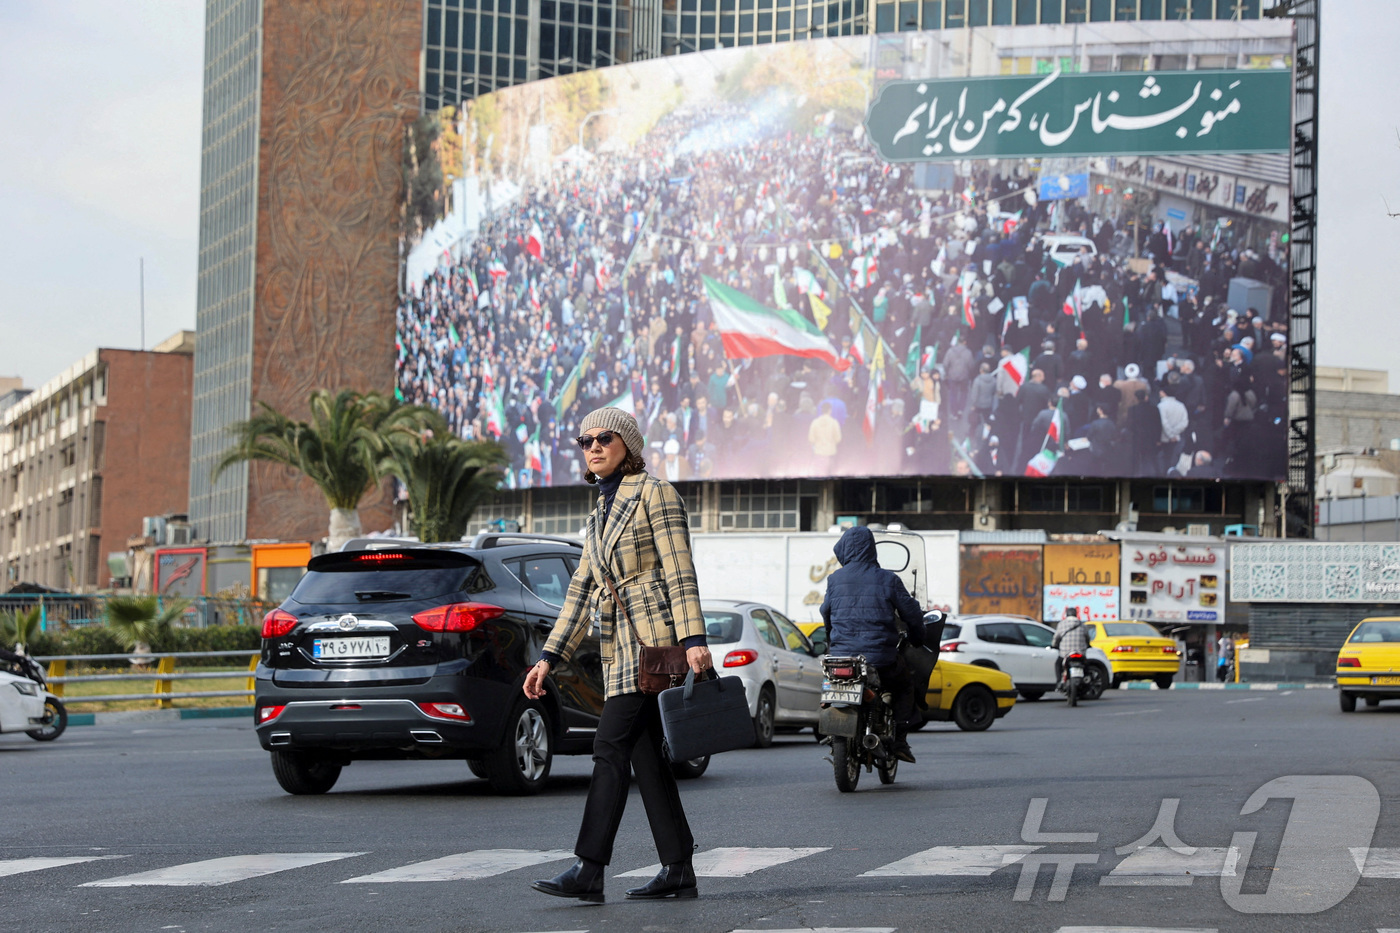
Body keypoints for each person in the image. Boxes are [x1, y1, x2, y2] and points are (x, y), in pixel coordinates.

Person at [525, 406, 712, 904]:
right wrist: (549, 657)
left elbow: (679, 569)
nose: (593, 447)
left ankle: (589, 868)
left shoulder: (655, 493)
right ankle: (678, 868)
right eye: (585, 441)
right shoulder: (597, 515)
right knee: (647, 759)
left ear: (627, 443)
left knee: (609, 747)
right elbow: (579, 591)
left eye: (604, 438)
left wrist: (693, 639)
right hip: (617, 647)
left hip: (653, 642)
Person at [820, 526, 926, 763]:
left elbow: (825, 612)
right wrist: (918, 637)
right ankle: (900, 741)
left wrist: (832, 640)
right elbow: (911, 614)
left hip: (842, 659)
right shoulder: (888, 579)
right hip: (880, 658)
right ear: (871, 549)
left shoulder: (835, 579)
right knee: (904, 685)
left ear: (844, 549)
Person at [1051, 607, 1089, 685]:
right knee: (1086, 664)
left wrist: (1054, 645)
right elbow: (1087, 638)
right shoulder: (1082, 625)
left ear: (1066, 614)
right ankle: (1086, 679)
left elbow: (1056, 637)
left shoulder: (1062, 624)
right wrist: (1088, 645)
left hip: (1065, 653)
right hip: (1080, 652)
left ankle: (1059, 682)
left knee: (1058, 664)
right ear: (1076, 614)